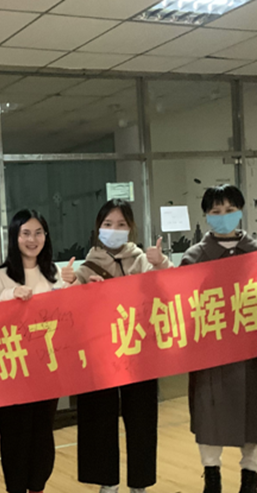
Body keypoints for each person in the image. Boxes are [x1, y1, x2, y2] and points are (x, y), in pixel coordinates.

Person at [74, 199, 170, 493]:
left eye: (121, 224)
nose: (113, 230)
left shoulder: (142, 260)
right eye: (108, 224)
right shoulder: (84, 267)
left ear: (130, 228)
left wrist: (161, 263)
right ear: (98, 228)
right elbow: (72, 311)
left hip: (139, 351)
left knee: (142, 418)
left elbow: (169, 291)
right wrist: (81, 290)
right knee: (99, 417)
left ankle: (140, 483)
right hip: (100, 355)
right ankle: (108, 482)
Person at [0, 210, 76, 493]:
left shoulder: (54, 274)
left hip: (46, 371)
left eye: (38, 233)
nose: (32, 239)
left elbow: (68, 315)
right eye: (25, 233)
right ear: (15, 237)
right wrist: (9, 297)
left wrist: (71, 285)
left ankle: (38, 487)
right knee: (15, 436)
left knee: (42, 435)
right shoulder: (1, 276)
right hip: (11, 372)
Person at [180, 184, 257, 493]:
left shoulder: (255, 254)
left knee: (254, 415)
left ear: (240, 212)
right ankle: (211, 476)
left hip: (251, 354)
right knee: (210, 415)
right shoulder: (194, 257)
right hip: (211, 356)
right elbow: (179, 305)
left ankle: (251, 477)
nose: (223, 216)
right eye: (216, 211)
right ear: (206, 215)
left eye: (229, 210)